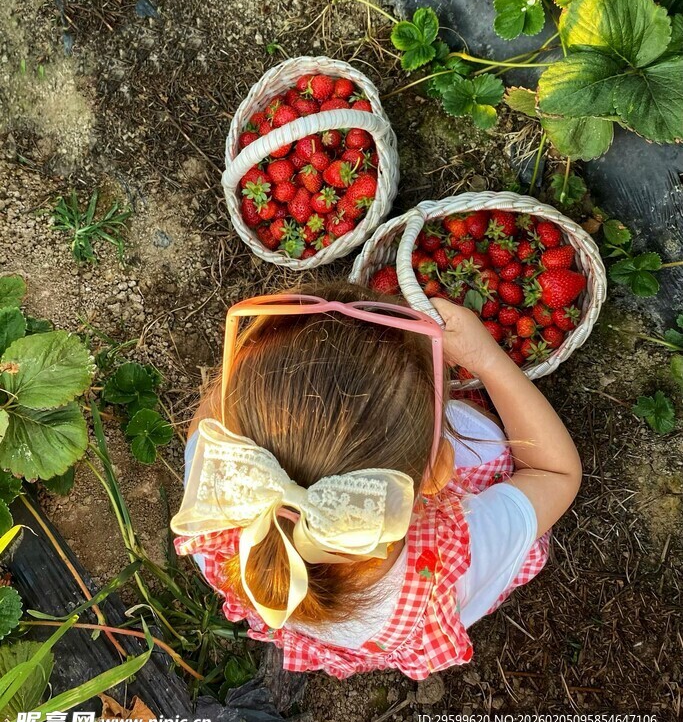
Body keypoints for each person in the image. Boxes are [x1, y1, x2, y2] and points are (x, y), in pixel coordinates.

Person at [172, 281, 582, 679]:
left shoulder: (212, 507)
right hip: (436, 590)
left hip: (355, 631)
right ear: (438, 469)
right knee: (488, 439)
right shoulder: (464, 553)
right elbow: (555, 473)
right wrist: (487, 360)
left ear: (230, 445)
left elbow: (215, 412)